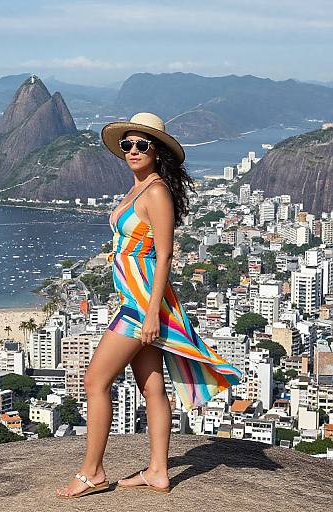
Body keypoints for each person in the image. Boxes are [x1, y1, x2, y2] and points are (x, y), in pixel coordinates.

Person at [56, 113, 242, 499]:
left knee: (95, 381)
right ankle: (158, 471)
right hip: (134, 301)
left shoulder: (156, 192)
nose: (134, 151)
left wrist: (153, 311)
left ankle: (93, 472)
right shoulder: (137, 189)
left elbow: (165, 255)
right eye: (128, 145)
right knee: (152, 387)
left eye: (143, 144)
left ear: (158, 151)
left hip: (141, 307)